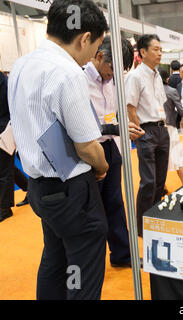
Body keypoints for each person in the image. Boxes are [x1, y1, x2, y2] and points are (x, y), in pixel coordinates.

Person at [8, 0, 109, 300]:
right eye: (96, 47)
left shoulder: (22, 64)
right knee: (82, 266)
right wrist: (102, 167)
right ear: (84, 38)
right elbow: (87, 146)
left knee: (55, 261)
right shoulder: (67, 72)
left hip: (40, 187)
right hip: (71, 191)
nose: (93, 57)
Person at [84, 35, 145, 267]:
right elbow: (80, 125)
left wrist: (123, 127)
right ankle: (92, 260)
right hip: (90, 150)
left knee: (115, 203)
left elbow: (114, 115)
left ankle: (122, 255)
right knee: (92, 209)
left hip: (111, 147)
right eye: (113, 69)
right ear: (100, 56)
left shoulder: (113, 82)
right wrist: (115, 127)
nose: (114, 75)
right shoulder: (79, 80)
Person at [126, 34, 170, 238]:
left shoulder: (157, 75)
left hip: (162, 130)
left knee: (160, 180)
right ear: (143, 52)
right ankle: (141, 227)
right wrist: (138, 133)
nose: (160, 53)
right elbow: (130, 107)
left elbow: (160, 103)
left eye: (161, 49)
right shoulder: (135, 76)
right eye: (156, 49)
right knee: (148, 181)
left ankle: (154, 219)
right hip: (147, 131)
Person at [159, 68, 183, 185]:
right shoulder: (171, 91)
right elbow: (181, 110)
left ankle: (162, 187)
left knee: (159, 160)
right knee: (178, 158)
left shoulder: (152, 91)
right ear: (168, 78)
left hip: (156, 128)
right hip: (170, 128)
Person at [0, 71, 14, 222]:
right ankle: (27, 186)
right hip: (4, 129)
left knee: (4, 170)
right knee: (8, 167)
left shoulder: (6, 82)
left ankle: (5, 208)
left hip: (5, 131)